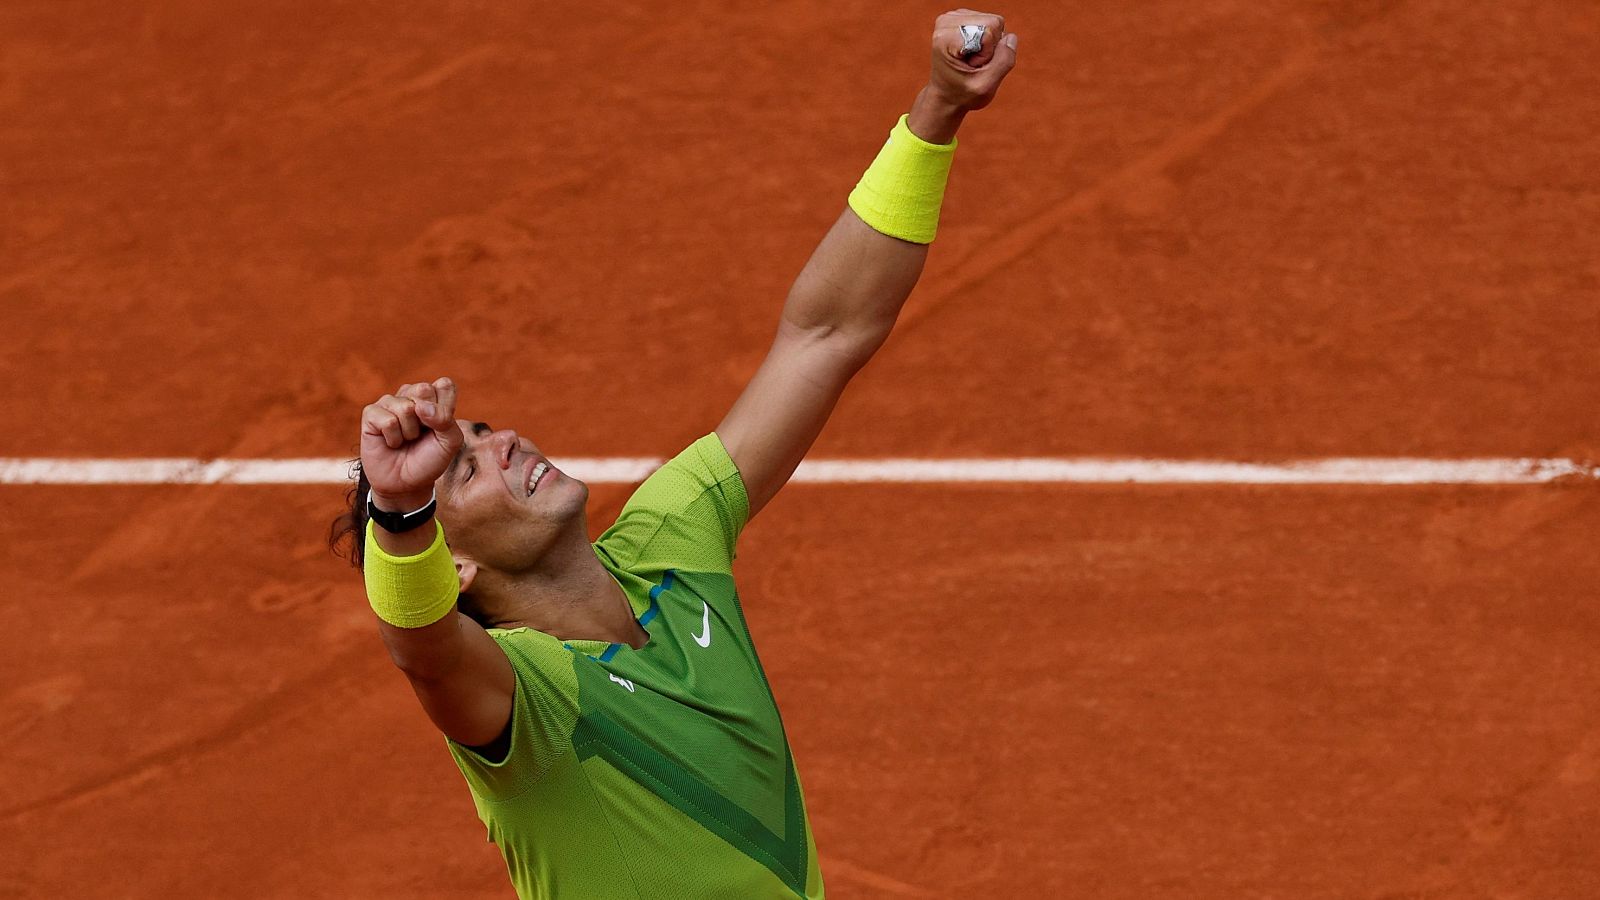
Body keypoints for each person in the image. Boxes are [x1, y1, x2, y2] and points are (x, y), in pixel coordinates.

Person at [329, 10, 1019, 898]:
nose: (504, 442)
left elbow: (826, 333)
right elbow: (421, 648)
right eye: (466, 468)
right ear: (452, 565)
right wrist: (397, 512)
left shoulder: (669, 540)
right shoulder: (526, 706)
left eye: (485, 434)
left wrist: (935, 112)